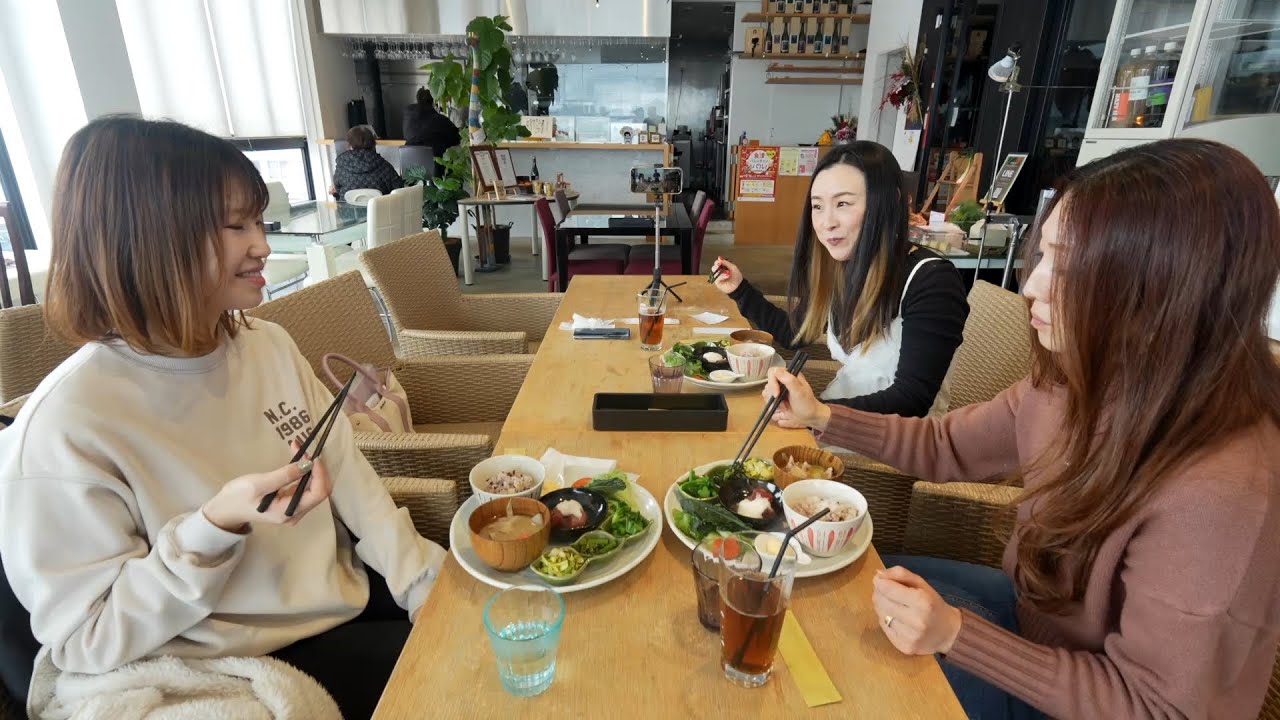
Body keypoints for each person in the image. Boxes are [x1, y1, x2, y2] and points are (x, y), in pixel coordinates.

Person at [763, 138, 1280, 719]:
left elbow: (1159, 707)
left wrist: (956, 634)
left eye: (1071, 262)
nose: (1031, 286)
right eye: (1043, 256)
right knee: (815, 588)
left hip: (1080, 696)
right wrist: (823, 417)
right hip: (1028, 617)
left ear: (1166, 287)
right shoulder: (1075, 378)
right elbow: (947, 443)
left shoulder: (1223, 490)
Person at [0, 116, 445, 720]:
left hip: (344, 601)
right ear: (148, 238)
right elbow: (85, 638)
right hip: (240, 662)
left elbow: (355, 483)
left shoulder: (268, 345)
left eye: (257, 221)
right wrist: (213, 528)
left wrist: (423, 584)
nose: (261, 244)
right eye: (235, 226)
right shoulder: (67, 425)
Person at [711, 141, 968, 419]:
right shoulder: (844, 267)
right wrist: (740, 290)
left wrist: (818, 413)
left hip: (890, 446)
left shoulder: (931, 281)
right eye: (817, 206)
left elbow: (911, 399)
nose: (826, 222)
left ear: (889, 201)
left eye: (843, 203)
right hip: (831, 418)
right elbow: (795, 333)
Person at [331, 124, 403, 200]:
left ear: (350, 145)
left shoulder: (342, 165)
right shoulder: (384, 165)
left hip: (349, 210)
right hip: (380, 210)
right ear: (373, 143)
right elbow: (398, 189)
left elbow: (337, 190)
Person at [402, 87, 460, 164]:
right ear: (433, 102)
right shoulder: (440, 120)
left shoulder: (408, 117)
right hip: (436, 167)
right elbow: (456, 139)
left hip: (411, 167)